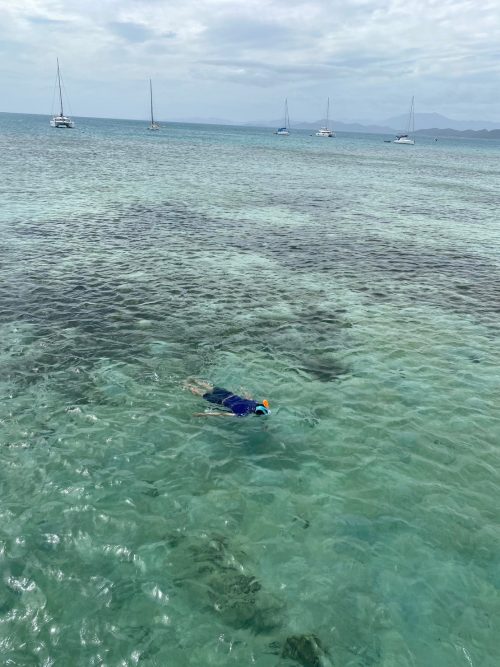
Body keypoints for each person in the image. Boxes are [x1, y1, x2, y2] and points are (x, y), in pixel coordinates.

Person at [185, 379, 271, 417]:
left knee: (209, 388)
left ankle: (193, 380)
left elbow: (248, 396)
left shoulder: (254, 402)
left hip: (228, 394)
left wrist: (243, 389)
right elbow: (221, 414)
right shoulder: (243, 414)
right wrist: (204, 414)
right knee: (201, 393)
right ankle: (187, 385)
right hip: (220, 401)